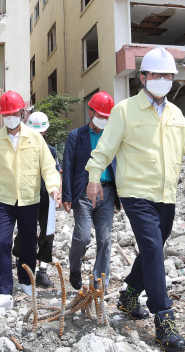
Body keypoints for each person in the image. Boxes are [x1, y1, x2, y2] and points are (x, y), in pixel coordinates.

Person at [85, 48, 185, 352]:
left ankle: (128, 295)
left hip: (166, 194)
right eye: (156, 74)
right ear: (143, 77)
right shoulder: (124, 110)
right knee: (152, 249)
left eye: (168, 75)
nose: (162, 80)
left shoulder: (174, 113)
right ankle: (165, 320)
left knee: (153, 250)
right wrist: (94, 177)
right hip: (136, 193)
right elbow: (105, 148)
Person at [0, 91, 61, 309]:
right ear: (2, 116)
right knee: (2, 242)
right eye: (6, 114)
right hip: (3, 202)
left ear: (22, 113)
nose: (11, 117)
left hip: (29, 200)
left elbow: (48, 167)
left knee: (27, 242)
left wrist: (53, 188)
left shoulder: (35, 139)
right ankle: (3, 291)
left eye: (14, 113)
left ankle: (26, 280)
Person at [62, 91, 118, 291]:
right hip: (84, 194)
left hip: (108, 192)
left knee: (105, 239)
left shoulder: (113, 136)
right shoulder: (76, 136)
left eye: (107, 117)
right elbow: (68, 166)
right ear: (90, 113)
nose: (104, 120)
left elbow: (120, 165)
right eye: (101, 116)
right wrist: (67, 195)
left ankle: (99, 281)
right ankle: (75, 267)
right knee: (83, 236)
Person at [11, 112, 60, 288]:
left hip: (46, 199)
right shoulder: (20, 149)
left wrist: (58, 192)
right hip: (28, 198)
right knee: (26, 233)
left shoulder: (51, 151)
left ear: (45, 133)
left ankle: (42, 271)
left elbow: (55, 173)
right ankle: (19, 257)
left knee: (48, 235)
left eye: (40, 133)